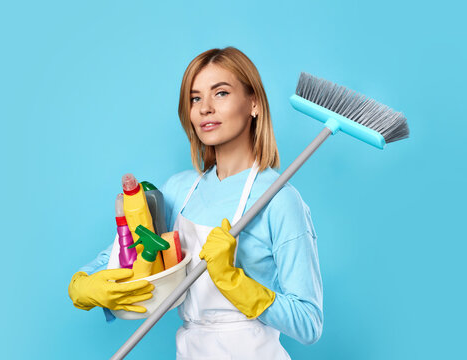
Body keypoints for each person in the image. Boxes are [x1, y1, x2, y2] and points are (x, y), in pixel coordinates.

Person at [68, 47, 323, 359]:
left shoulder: (280, 200)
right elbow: (118, 257)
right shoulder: (179, 189)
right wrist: (83, 285)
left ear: (253, 103)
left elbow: (309, 323)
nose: (205, 108)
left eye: (221, 93)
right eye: (195, 98)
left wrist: (234, 281)